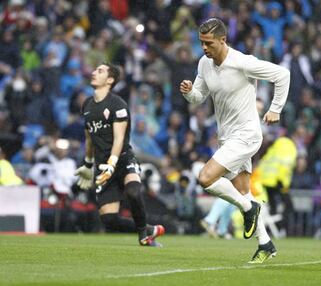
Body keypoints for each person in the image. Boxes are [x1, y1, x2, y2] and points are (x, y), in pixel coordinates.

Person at [180, 18, 290, 263]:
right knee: (243, 191)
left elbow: (283, 74)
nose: (205, 48)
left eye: (209, 43)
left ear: (223, 40)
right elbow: (199, 97)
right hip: (227, 137)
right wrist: (189, 93)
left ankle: (249, 209)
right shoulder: (204, 64)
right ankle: (266, 244)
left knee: (206, 178)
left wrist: (275, 109)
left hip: (247, 134)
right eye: (201, 43)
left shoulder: (242, 62)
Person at [74, 63, 165, 246]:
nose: (93, 72)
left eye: (99, 71)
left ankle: (143, 236)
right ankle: (149, 230)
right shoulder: (87, 105)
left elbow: (119, 139)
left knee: (133, 191)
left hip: (122, 158)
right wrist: (88, 163)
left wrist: (113, 162)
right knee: (109, 220)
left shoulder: (118, 105)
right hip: (101, 165)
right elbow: (89, 138)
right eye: (94, 69)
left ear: (110, 80)